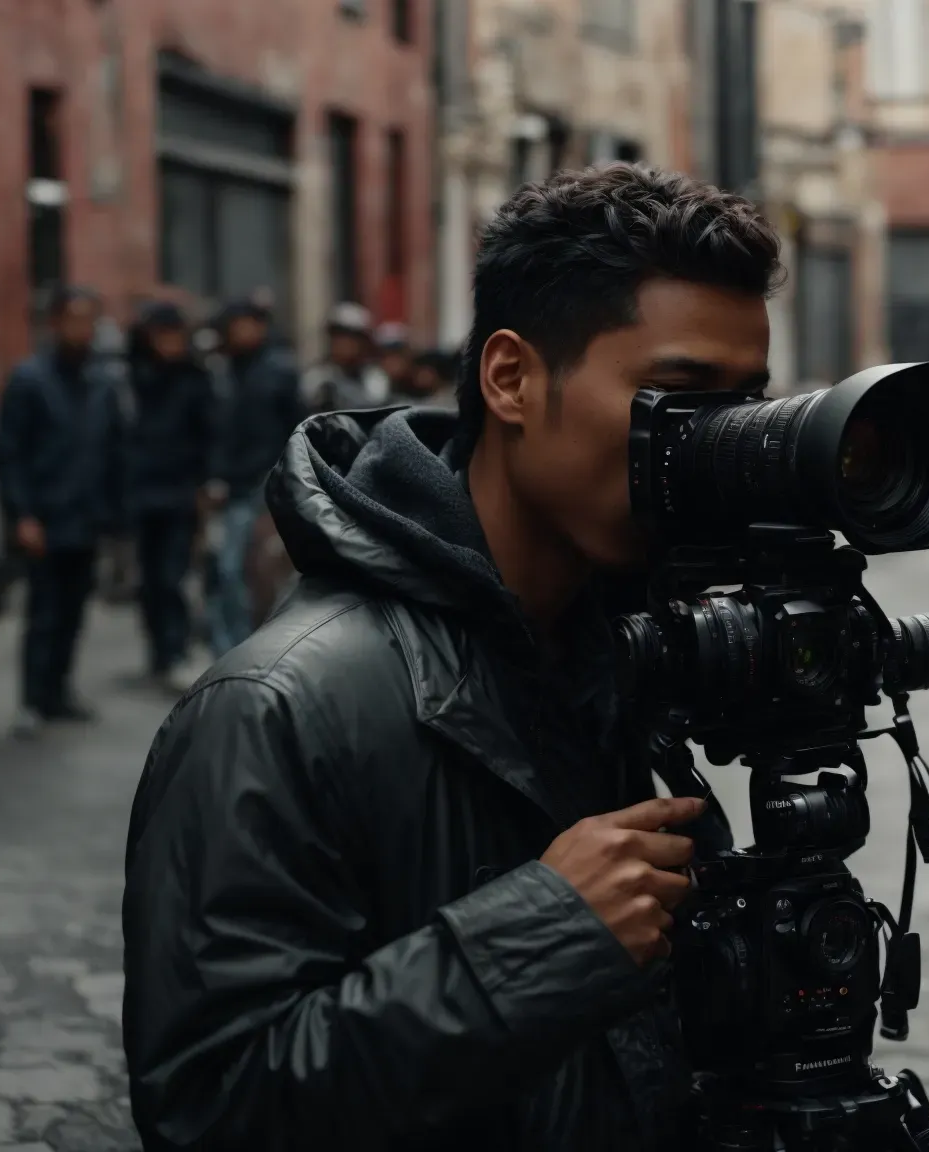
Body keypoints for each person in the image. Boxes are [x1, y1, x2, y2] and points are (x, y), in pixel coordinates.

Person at [122, 164, 782, 1150]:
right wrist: (547, 935)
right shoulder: (273, 708)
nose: (713, 447)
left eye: (743, 406)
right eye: (676, 399)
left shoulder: (641, 659)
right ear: (511, 378)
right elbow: (213, 1108)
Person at [0, 286, 121, 738]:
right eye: (73, 320)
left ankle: (59, 691)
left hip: (85, 517)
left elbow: (112, 447)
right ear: (55, 323)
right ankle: (31, 700)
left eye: (89, 321)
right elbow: (9, 454)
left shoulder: (101, 382)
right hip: (45, 519)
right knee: (43, 613)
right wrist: (22, 514)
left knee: (73, 612)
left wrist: (111, 510)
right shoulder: (30, 381)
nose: (81, 330)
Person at [116, 302, 218, 693]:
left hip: (180, 491)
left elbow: (210, 434)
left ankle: (175, 650)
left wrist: (207, 483)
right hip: (140, 491)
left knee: (173, 577)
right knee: (148, 580)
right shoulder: (130, 379)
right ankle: (158, 651)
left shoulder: (194, 379)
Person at [201, 298, 303, 656]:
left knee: (265, 573)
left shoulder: (279, 371)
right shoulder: (220, 373)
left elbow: (297, 428)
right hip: (229, 487)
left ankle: (261, 649)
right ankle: (231, 648)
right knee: (226, 571)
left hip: (267, 483)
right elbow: (212, 431)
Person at [301, 301, 391, 414]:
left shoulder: (375, 377)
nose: (343, 345)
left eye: (350, 340)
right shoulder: (317, 377)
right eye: (338, 338)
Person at [374, 321, 418, 401]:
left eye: (398, 355)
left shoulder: (422, 384)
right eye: (386, 356)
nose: (392, 362)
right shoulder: (371, 388)